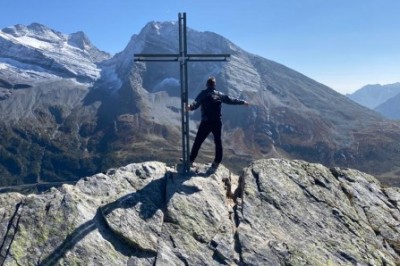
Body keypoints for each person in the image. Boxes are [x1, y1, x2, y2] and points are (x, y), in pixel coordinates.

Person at [186, 76, 248, 170]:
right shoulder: (219, 94)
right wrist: (242, 102)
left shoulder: (204, 93)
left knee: (198, 141)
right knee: (218, 142)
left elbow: (196, 103)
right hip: (217, 122)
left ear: (207, 85)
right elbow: (230, 100)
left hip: (206, 122)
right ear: (215, 85)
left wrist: (190, 107)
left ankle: (190, 161)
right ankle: (216, 162)